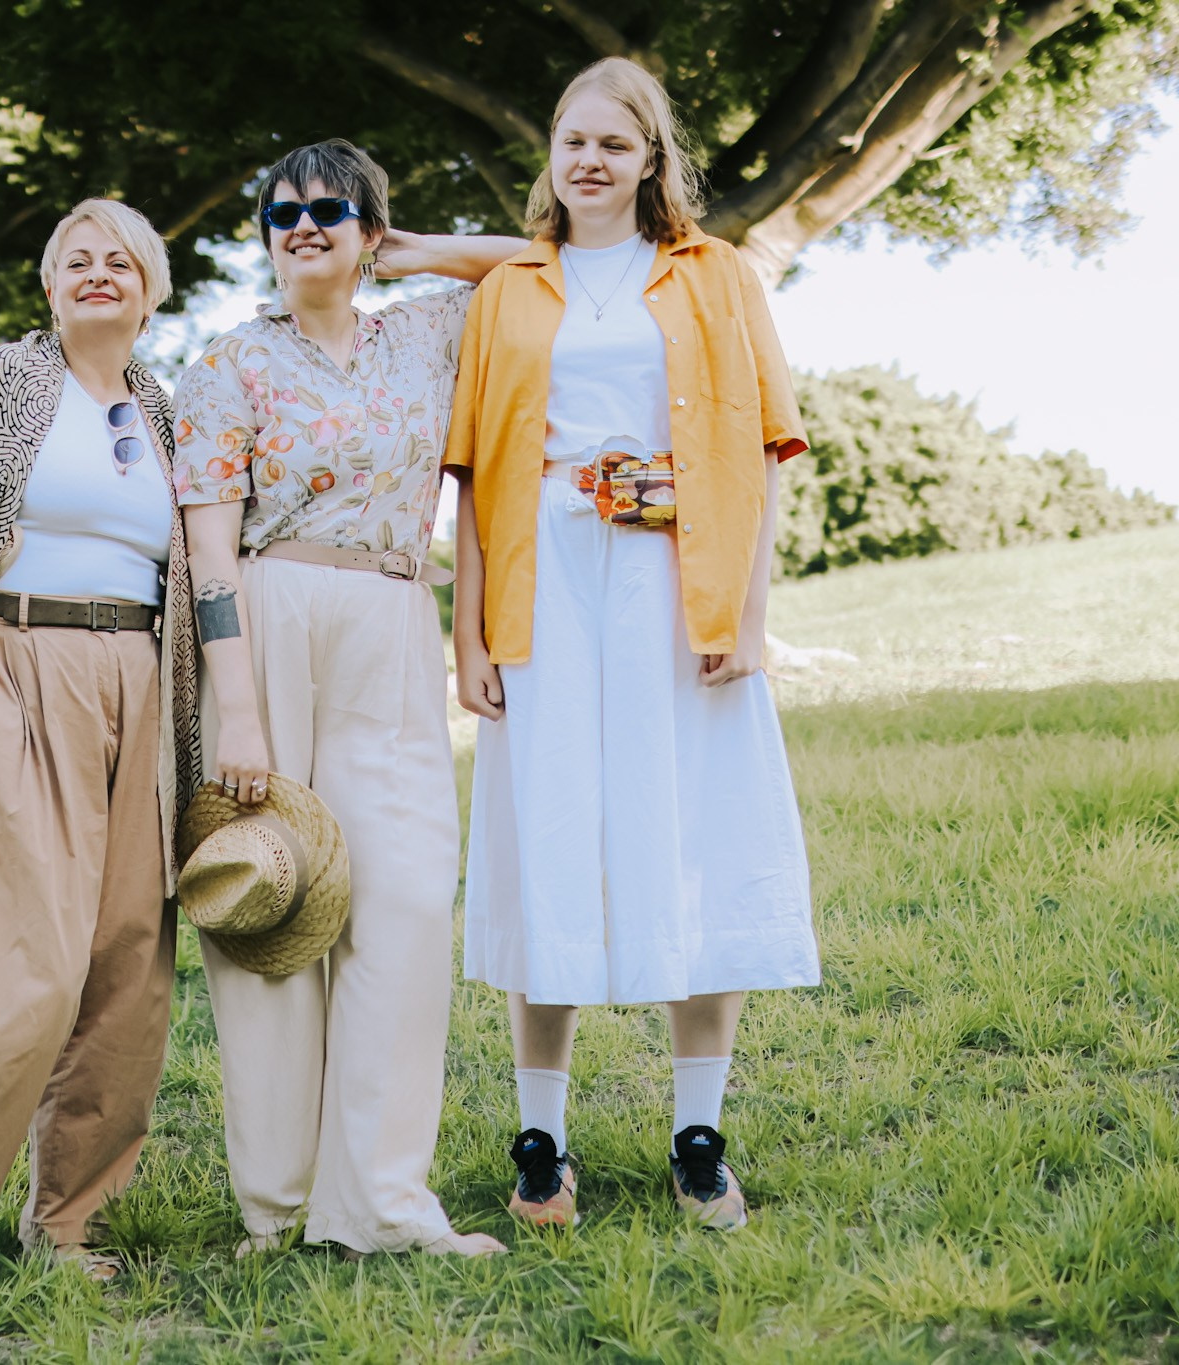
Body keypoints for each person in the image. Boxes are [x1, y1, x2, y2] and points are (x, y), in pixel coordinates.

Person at [445, 57, 821, 1234]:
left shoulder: (715, 275)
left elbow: (759, 453)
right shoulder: (511, 289)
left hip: (675, 584)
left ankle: (696, 1138)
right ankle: (540, 1142)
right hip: (544, 588)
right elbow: (471, 478)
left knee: (694, 834)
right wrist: (468, 636)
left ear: (652, 158)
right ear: (550, 156)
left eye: (614, 142)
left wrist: (745, 615)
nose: (590, 160)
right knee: (544, 836)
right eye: (572, 140)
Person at [174, 139, 523, 1258]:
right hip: (266, 616)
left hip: (390, 616)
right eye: (282, 214)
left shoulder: (425, 335)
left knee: (406, 899)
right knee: (270, 898)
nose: (303, 227)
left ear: (369, 230)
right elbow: (209, 555)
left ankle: (380, 1202)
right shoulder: (225, 365)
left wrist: (410, 248)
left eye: (330, 209)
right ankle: (277, 1209)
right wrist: (238, 712)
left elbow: (542, 261)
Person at [0, 199, 201, 1291]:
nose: (99, 272)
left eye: (121, 261)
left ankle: (69, 1222)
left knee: (126, 965)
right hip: (15, 666)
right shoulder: (0, 386)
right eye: (77, 260)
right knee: (18, 962)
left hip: (141, 676)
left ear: (150, 291)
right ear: (49, 285)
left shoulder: (163, 410)